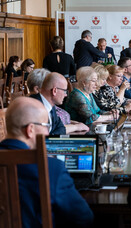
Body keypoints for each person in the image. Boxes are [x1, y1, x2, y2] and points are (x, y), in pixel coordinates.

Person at [0, 97, 94, 228]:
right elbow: (83, 217)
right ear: (30, 129)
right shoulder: (51, 167)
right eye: (46, 126)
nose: (47, 133)